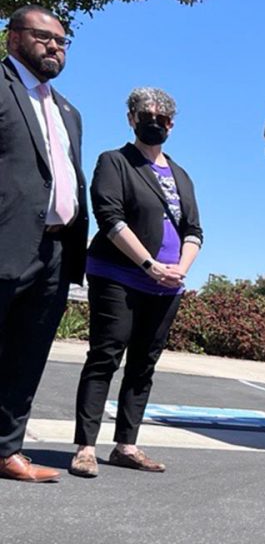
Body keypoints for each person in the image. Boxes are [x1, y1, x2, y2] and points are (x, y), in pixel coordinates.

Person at [68, 87, 202, 478]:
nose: (154, 123)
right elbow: (109, 219)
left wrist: (179, 268)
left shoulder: (181, 176)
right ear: (131, 118)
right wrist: (147, 264)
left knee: (144, 364)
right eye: (146, 115)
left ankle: (126, 444)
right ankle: (86, 448)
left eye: (162, 118)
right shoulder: (114, 162)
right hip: (119, 277)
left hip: (167, 286)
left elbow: (195, 230)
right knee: (105, 356)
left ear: (172, 125)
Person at [0, 5, 88, 483]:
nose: (54, 46)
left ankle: (6, 450)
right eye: (43, 37)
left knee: (27, 357)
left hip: (54, 252)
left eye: (62, 41)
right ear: (13, 38)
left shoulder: (68, 111)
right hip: (5, 240)